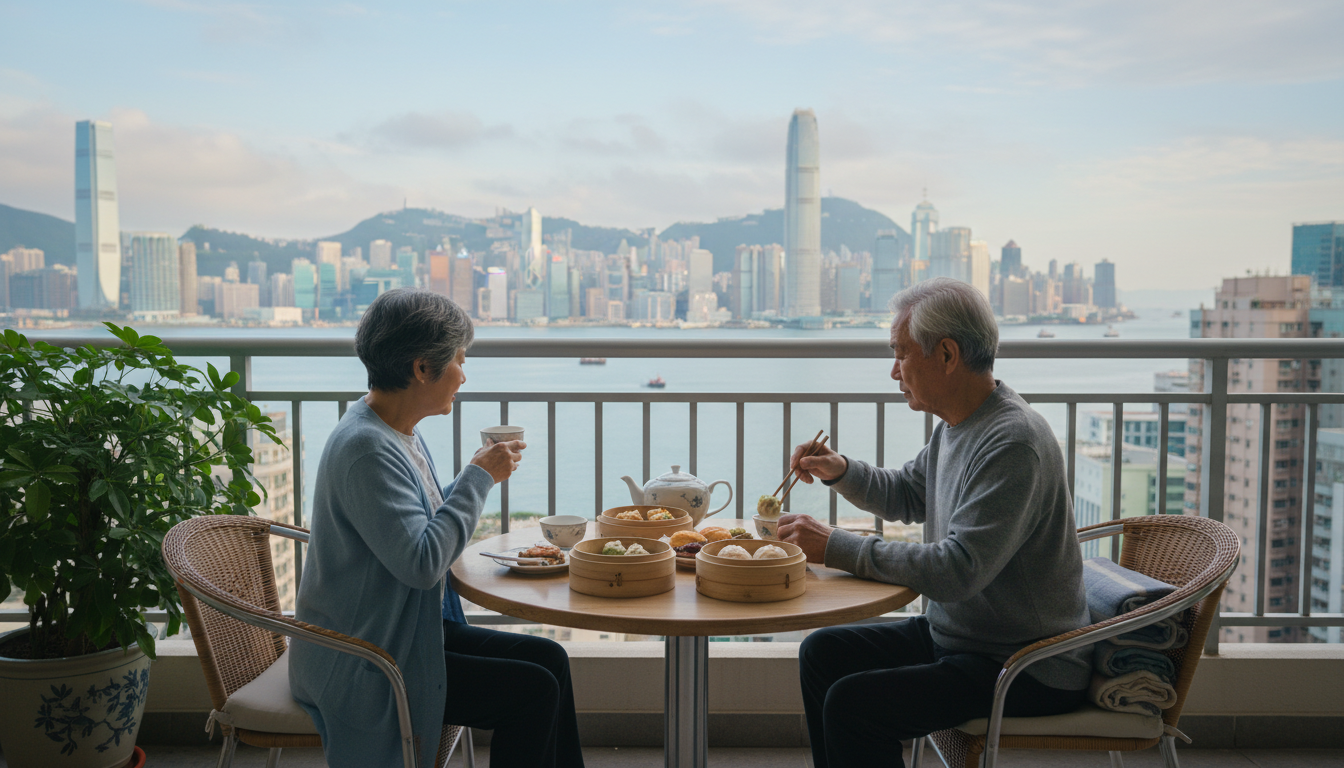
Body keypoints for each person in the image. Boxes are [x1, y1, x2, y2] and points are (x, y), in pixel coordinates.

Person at [779, 277, 1091, 768]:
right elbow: (907, 492)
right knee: (822, 653)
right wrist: (839, 469)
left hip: (1025, 663)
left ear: (947, 355)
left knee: (855, 706)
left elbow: (958, 570)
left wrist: (836, 546)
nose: (893, 372)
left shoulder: (1013, 442)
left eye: (901, 354)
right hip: (963, 640)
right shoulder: (960, 424)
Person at [289, 288, 584, 768]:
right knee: (532, 691)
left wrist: (475, 476)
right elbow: (423, 563)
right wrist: (478, 476)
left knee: (550, 660)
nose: (463, 375)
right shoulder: (367, 448)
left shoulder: (394, 429)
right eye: (458, 361)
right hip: (367, 656)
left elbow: (414, 524)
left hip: (408, 631)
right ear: (422, 368)